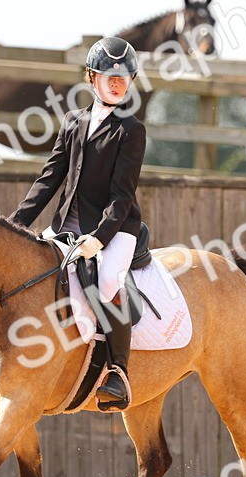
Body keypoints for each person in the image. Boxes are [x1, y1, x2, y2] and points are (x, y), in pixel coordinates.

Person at [10, 36, 147, 411]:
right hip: (65, 227)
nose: (116, 84)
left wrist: (99, 239)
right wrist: (14, 225)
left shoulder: (130, 130)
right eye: (109, 76)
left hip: (115, 229)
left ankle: (118, 372)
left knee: (107, 280)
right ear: (92, 77)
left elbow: (122, 197)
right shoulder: (73, 121)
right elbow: (49, 179)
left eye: (123, 78)